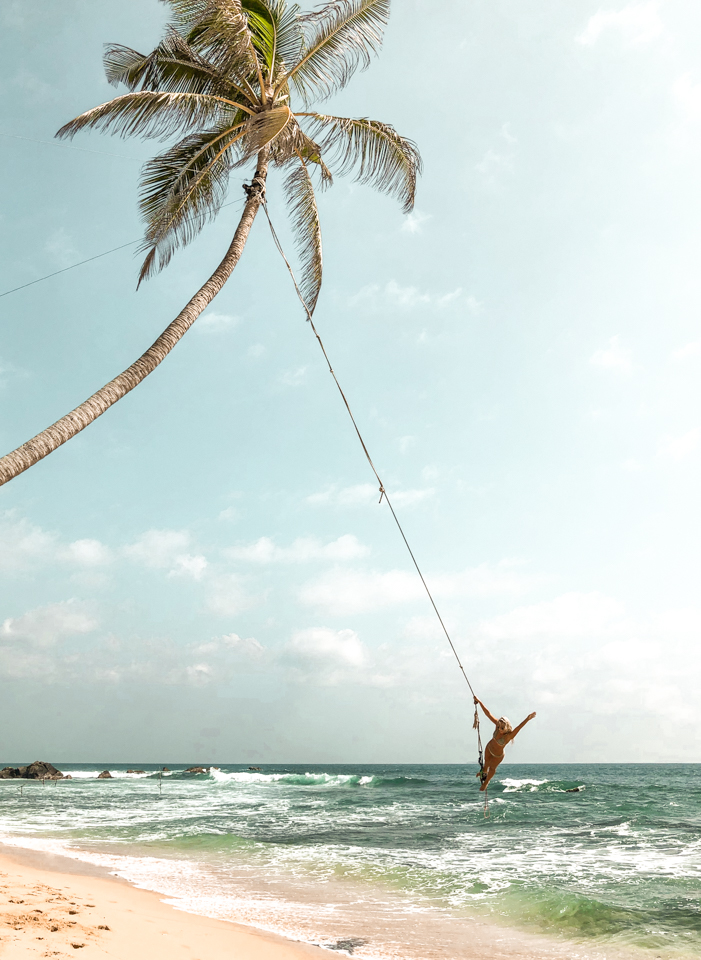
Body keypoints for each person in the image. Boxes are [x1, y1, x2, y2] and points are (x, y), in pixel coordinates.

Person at [473, 697, 536, 791]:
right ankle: (482, 772)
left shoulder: (508, 736)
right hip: (489, 748)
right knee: (486, 765)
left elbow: (518, 728)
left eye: (502, 728)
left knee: (492, 768)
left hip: (498, 755)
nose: (499, 729)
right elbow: (488, 713)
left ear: (506, 728)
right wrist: (479, 701)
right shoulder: (498, 725)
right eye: (498, 727)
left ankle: (486, 783)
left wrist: (527, 719)